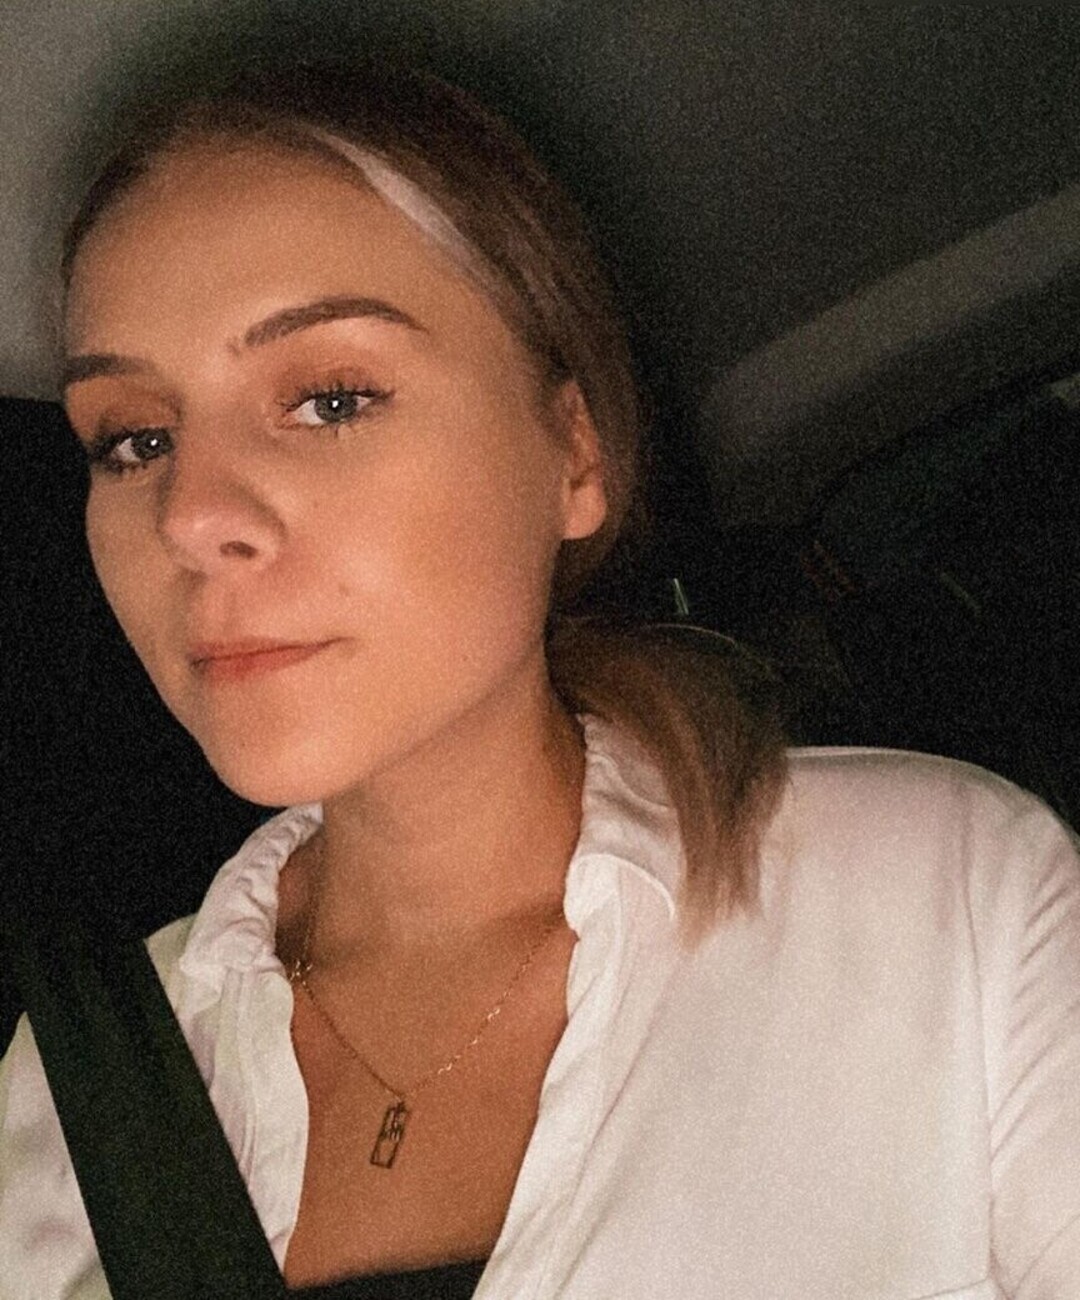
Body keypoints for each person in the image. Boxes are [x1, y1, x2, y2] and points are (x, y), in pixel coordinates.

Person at [1, 63, 1079, 1300]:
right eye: (134, 439)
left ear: (573, 455)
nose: (190, 515)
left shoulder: (948, 904)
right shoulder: (65, 1090)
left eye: (331, 399)